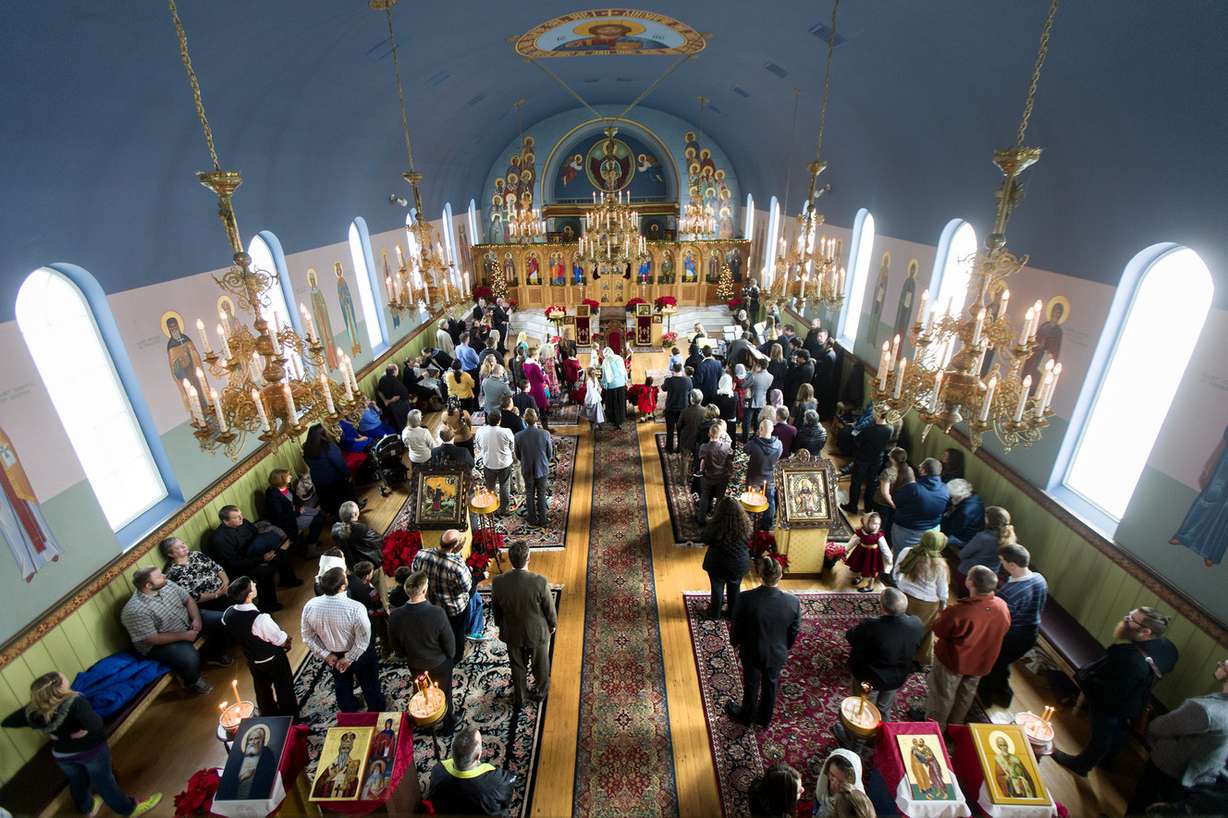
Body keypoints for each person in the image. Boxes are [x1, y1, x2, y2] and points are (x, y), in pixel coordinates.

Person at [3, 672, 161, 817]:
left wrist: (57, 734)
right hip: (90, 752)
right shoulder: (75, 702)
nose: (65, 678)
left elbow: (8, 721)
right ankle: (129, 809)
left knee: (78, 781)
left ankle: (87, 808)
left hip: (63, 755)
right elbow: (96, 724)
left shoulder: (34, 711)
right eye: (62, 678)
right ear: (59, 688)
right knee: (104, 782)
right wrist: (81, 731)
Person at [1053, 607, 1179, 776]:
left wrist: (1086, 679)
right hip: (1136, 697)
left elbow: (1109, 693)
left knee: (1102, 731)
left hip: (1114, 699)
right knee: (1120, 728)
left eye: (1131, 619)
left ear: (1146, 632)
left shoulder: (1127, 657)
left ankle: (1082, 765)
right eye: (1130, 614)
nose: (1126, 618)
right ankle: (1107, 760)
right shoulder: (1169, 648)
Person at [1126, 658, 1228, 815]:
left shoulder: (1205, 710)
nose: (1220, 664)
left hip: (1171, 768)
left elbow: (1160, 727)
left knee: (1141, 804)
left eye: (1224, 664)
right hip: (1201, 775)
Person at [925, 565, 1011, 731]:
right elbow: (1004, 629)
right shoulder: (1002, 606)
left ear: (970, 582)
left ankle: (935, 728)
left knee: (943, 695)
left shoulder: (960, 611)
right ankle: (955, 726)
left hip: (954, 661)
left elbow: (939, 629)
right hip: (981, 661)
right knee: (966, 695)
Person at [120, 566, 230, 694]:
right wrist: (185, 635)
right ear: (148, 585)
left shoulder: (167, 584)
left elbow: (188, 600)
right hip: (161, 642)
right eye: (159, 576)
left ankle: (215, 654)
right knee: (188, 657)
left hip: (187, 622)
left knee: (225, 619)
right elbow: (151, 638)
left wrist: (196, 619)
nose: (164, 576)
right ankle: (192, 682)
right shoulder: (134, 610)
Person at [725, 556, 801, 727]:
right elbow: (793, 630)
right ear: (780, 575)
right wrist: (785, 647)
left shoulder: (745, 598)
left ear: (760, 575)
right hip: (777, 653)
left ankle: (746, 715)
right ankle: (765, 718)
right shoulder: (793, 602)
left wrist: (735, 642)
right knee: (771, 684)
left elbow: (737, 625)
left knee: (751, 684)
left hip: (752, 651)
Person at [300, 566, 386, 712]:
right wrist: (349, 658)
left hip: (333, 655)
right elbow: (363, 640)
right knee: (370, 683)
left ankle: (349, 712)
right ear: (342, 586)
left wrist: (326, 655)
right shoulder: (356, 608)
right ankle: (376, 709)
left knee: (342, 685)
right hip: (359, 654)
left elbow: (307, 637)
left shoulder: (310, 606)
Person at [388, 569, 457, 732]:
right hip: (439, 663)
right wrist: (450, 656)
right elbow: (450, 644)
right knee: (444, 693)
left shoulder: (395, 616)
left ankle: (424, 722)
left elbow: (396, 646)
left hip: (415, 663)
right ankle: (448, 724)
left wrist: (407, 655)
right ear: (425, 589)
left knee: (422, 693)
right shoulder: (437, 613)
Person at [979, 544, 1047, 706]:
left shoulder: (1009, 593)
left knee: (991, 666)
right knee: (1002, 664)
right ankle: (1005, 696)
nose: (1001, 564)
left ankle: (986, 699)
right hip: (1031, 633)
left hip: (1012, 637)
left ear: (1012, 565)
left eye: (1002, 561)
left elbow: (999, 621)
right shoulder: (1039, 578)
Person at [491, 541, 557, 706]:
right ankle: (541, 692)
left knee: (517, 666)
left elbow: (496, 609)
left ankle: (520, 698)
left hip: (512, 632)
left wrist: (500, 625)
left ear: (510, 559)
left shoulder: (498, 582)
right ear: (529, 558)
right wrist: (552, 624)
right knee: (540, 665)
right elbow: (549, 609)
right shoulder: (540, 581)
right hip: (537, 632)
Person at [221, 577, 297, 719]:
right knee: (284, 687)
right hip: (272, 658)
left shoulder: (228, 614)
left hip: (251, 659)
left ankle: (269, 715)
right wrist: (287, 641)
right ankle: (291, 718)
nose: (255, 584)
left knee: (262, 689)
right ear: (249, 595)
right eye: (252, 585)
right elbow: (279, 639)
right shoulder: (260, 619)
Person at [846, 588, 923, 721]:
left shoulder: (871, 626)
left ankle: (858, 734)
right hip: (896, 678)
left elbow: (851, 637)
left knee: (863, 709)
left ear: (882, 606)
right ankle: (883, 730)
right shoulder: (916, 623)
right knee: (884, 708)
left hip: (869, 678)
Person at [206, 505, 297, 612]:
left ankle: (287, 580)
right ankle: (267, 605)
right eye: (236, 517)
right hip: (239, 566)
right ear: (226, 521)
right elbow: (234, 563)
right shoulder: (220, 539)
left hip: (254, 553)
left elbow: (255, 534)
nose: (241, 518)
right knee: (265, 571)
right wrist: (261, 559)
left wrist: (264, 550)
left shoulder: (243, 522)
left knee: (279, 552)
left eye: (240, 515)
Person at [411, 530, 473, 664]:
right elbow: (466, 588)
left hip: (430, 605)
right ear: (455, 546)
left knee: (438, 629)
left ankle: (440, 649)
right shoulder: (457, 566)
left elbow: (415, 575)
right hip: (453, 609)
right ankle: (457, 655)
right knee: (457, 632)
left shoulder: (421, 555)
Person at [893, 529, 951, 666]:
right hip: (925, 604)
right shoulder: (940, 565)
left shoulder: (907, 551)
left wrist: (902, 586)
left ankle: (895, 650)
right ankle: (919, 658)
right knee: (922, 632)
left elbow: (896, 573)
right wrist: (943, 606)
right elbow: (942, 591)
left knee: (899, 625)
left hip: (903, 596)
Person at [426, 726, 514, 816]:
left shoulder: (438, 769)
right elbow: (507, 797)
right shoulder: (498, 781)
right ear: (478, 756)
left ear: (452, 752)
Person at [700, 495, 752, 620]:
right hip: (738, 564)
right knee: (735, 587)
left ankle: (715, 613)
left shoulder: (714, 525)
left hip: (717, 564)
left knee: (717, 588)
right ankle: (732, 613)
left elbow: (705, 539)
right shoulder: (746, 526)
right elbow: (749, 542)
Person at [302, 425, 362, 520]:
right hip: (334, 479)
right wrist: (347, 474)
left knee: (331, 502)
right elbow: (339, 462)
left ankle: (336, 517)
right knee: (345, 497)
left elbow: (308, 463)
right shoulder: (328, 446)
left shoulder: (306, 448)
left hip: (319, 481)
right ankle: (353, 513)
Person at [891, 457, 950, 552]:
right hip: (932, 532)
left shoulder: (913, 488)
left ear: (923, 471)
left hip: (907, 531)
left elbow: (896, 500)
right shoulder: (945, 489)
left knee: (902, 555)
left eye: (921, 466)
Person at [842, 410, 894, 515]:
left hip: (863, 459)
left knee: (856, 482)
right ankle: (868, 508)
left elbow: (857, 441)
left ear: (878, 415)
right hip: (877, 460)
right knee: (871, 484)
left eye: (874, 412)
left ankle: (852, 506)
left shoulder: (869, 430)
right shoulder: (890, 429)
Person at [160, 536, 229, 611]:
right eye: (178, 547)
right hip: (209, 602)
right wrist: (216, 595)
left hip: (224, 589)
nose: (184, 547)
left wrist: (226, 582)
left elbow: (216, 567)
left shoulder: (196, 554)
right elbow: (193, 596)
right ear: (171, 554)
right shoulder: (174, 572)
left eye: (183, 543)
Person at [954, 506, 1015, 589]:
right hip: (990, 577)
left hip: (970, 574)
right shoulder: (1010, 538)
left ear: (989, 521)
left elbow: (962, 555)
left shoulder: (982, 537)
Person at [264, 469, 324, 552]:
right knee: (318, 520)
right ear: (281, 479)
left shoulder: (286, 487)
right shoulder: (272, 496)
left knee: (319, 514)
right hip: (289, 521)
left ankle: (310, 540)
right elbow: (280, 515)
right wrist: (297, 511)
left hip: (296, 511)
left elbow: (295, 500)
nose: (291, 476)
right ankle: (311, 548)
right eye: (288, 476)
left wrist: (299, 507)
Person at [514, 409, 553, 528]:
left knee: (529, 493)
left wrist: (525, 461)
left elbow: (517, 454)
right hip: (542, 467)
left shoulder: (518, 436)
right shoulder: (545, 433)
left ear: (525, 420)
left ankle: (531, 517)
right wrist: (545, 461)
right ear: (536, 418)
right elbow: (549, 453)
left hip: (527, 468)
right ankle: (543, 519)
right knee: (541, 493)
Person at [475, 409, 516, 516]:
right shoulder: (506, 431)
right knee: (504, 486)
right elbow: (512, 447)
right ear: (499, 420)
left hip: (488, 463)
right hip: (504, 464)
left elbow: (478, 447)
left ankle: (491, 508)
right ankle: (504, 509)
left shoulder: (480, 431)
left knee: (490, 487)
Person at [746, 418, 784, 530]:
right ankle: (767, 524)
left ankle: (749, 518)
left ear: (760, 429)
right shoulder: (778, 444)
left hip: (755, 477)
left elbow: (745, 449)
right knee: (770, 500)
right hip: (770, 477)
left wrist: (755, 437)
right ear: (772, 430)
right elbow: (779, 456)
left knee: (751, 497)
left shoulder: (754, 444)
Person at [842, 512, 893, 591]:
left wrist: (889, 558)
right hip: (861, 553)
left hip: (873, 556)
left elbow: (885, 548)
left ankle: (870, 586)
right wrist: (845, 550)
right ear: (866, 523)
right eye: (874, 524)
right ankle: (860, 576)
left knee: (872, 571)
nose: (877, 526)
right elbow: (853, 541)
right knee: (860, 565)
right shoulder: (861, 533)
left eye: (878, 524)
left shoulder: (879, 536)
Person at [696, 421, 734, 526]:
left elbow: (702, 461)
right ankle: (716, 520)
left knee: (704, 496)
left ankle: (701, 519)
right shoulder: (726, 447)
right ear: (721, 435)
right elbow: (731, 457)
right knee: (720, 498)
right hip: (722, 477)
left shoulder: (704, 447)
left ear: (709, 434)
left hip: (707, 476)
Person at [813, 751, 867, 818]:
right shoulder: (824, 789)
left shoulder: (858, 809)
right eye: (832, 776)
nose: (834, 784)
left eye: (841, 781)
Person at [331, 500, 382, 569]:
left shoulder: (334, 529)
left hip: (351, 565)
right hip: (368, 564)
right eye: (358, 507)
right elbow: (379, 541)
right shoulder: (361, 528)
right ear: (355, 514)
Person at [873, 446, 913, 533]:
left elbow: (885, 493)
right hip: (899, 502)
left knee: (880, 525)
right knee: (890, 525)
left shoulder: (887, 472)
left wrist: (892, 504)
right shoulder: (909, 470)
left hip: (883, 503)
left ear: (892, 459)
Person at [940, 478, 985, 546]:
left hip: (964, 538)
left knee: (935, 539)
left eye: (952, 497)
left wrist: (943, 520)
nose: (951, 499)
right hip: (964, 528)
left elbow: (953, 530)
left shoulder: (965, 512)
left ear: (959, 496)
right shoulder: (973, 496)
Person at [662, 363, 692, 451]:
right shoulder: (688, 380)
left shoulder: (668, 380)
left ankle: (669, 448)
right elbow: (690, 390)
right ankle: (680, 448)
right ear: (681, 370)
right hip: (683, 409)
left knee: (670, 429)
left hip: (670, 408)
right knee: (681, 430)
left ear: (672, 370)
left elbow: (663, 388)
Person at [743, 358, 773, 445]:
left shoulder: (754, 376)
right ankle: (757, 438)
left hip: (751, 400)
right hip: (762, 401)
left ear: (759, 365)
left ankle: (745, 439)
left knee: (747, 421)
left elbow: (743, 385)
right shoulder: (771, 376)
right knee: (758, 421)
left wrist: (751, 372)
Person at [677, 389, 708, 473]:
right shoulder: (706, 411)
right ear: (701, 399)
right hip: (699, 440)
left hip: (686, 439)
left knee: (684, 460)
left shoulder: (685, 411)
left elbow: (679, 425)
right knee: (697, 459)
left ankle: (683, 478)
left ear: (691, 399)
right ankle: (695, 475)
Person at [401, 408, 439, 474]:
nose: (422, 417)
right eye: (421, 416)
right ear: (418, 420)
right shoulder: (424, 432)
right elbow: (432, 446)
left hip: (414, 458)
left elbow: (406, 445)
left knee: (417, 474)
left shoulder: (404, 432)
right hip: (426, 458)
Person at [600, 346, 628, 429]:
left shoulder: (605, 361)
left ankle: (614, 419)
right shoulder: (619, 358)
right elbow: (624, 371)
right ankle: (622, 418)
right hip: (621, 384)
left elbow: (605, 375)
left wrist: (603, 384)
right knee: (621, 402)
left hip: (612, 386)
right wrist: (625, 380)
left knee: (613, 404)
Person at [377, 364, 412, 429]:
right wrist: (389, 401)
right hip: (396, 405)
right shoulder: (394, 381)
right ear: (394, 371)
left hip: (389, 405)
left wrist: (385, 400)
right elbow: (396, 397)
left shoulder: (382, 379)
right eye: (397, 370)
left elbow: (379, 392)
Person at [581, 367, 604, 431]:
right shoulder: (595, 379)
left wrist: (586, 400)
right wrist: (598, 394)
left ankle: (592, 428)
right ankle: (600, 426)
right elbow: (599, 389)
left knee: (590, 415)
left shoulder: (589, 381)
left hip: (591, 400)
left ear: (588, 374)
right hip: (596, 399)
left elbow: (590, 393)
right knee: (598, 413)